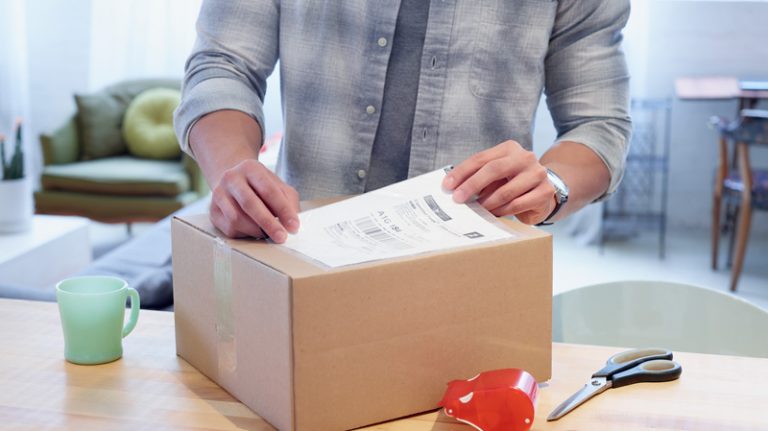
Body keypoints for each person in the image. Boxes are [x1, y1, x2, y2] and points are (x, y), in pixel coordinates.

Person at [175, 0, 632, 243]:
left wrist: (551, 184)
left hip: (474, 271)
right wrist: (233, 171)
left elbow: (599, 124)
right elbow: (222, 65)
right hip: (298, 250)